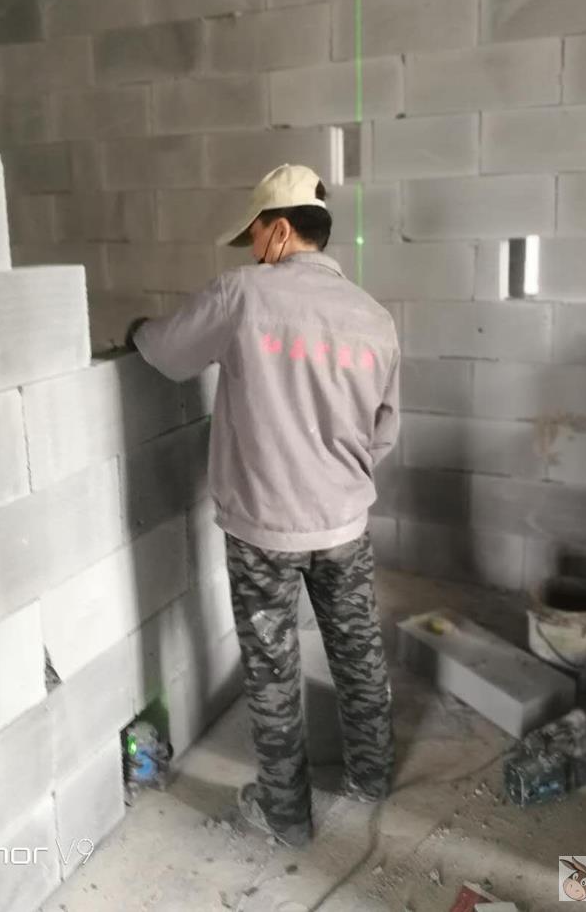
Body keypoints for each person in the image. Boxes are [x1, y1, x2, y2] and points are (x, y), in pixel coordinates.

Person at [126, 164, 400, 848]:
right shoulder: (374, 316)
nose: (252, 250)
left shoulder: (243, 294)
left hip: (263, 531)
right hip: (345, 523)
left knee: (273, 673)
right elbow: (385, 431)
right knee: (359, 651)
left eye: (253, 235)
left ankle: (286, 815)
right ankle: (372, 778)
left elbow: (166, 353)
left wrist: (136, 330)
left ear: (278, 230)